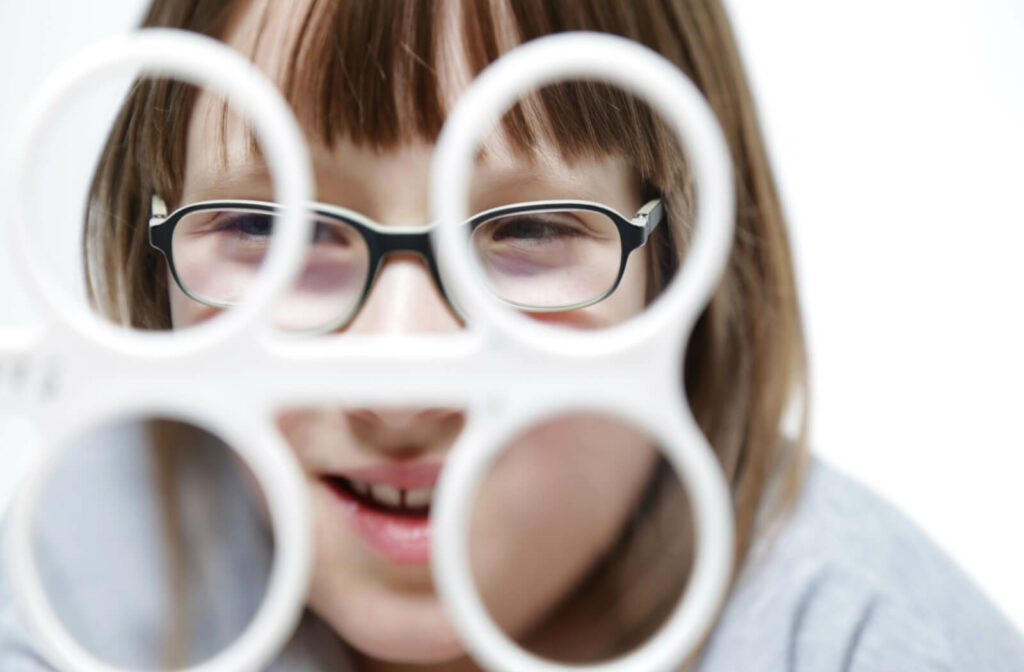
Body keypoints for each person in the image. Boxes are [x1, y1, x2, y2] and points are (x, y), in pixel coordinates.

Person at [2, 1, 1023, 671]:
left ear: (683, 272)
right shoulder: (88, 567)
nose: (398, 385)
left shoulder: (859, 641)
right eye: (267, 228)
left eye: (527, 230)